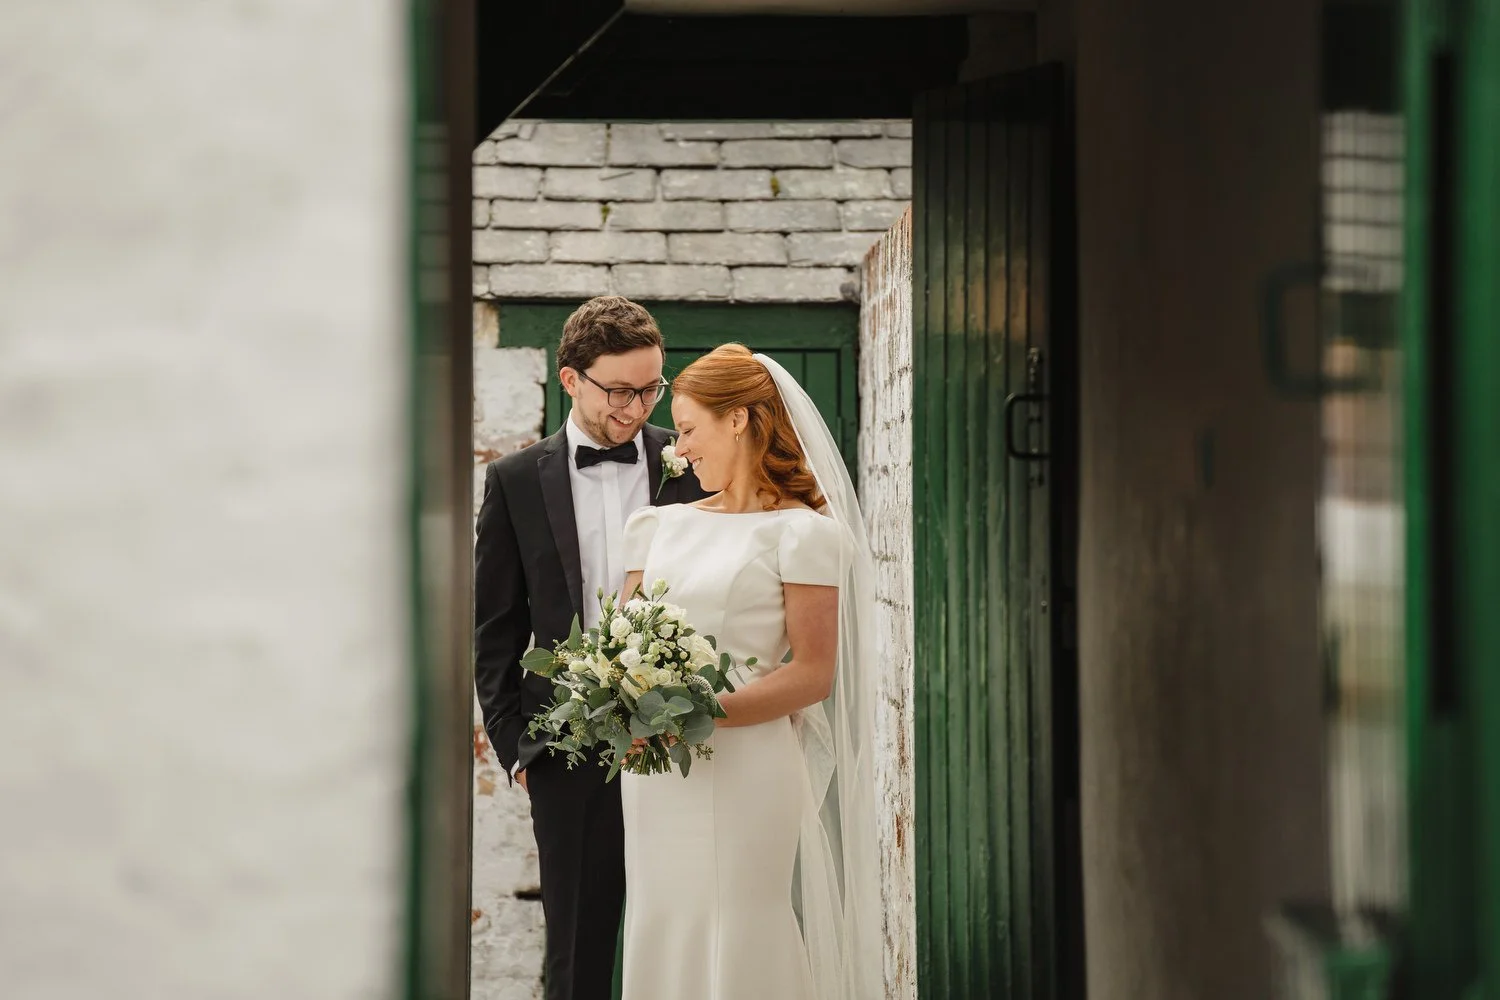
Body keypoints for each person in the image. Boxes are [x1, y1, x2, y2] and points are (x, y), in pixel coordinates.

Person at [617, 344, 882, 1000]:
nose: (679, 449)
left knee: (741, 920)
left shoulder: (801, 534)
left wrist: (693, 712)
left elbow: (813, 675)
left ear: (737, 420)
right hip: (654, 772)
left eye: (687, 429)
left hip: (748, 766)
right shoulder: (654, 526)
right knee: (663, 916)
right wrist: (624, 706)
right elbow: (620, 646)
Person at [473, 295, 708, 1000]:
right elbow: (495, 626)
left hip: (681, 739)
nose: (636, 408)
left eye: (650, 388)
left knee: (687, 940)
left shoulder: (689, 462)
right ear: (570, 379)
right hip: (566, 751)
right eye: (619, 391)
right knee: (577, 950)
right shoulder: (514, 480)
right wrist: (517, 747)